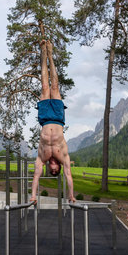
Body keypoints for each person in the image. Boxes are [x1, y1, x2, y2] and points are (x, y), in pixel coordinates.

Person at [29, 40, 76, 203]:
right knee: (54, 87)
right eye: (55, 169)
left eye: (51, 170)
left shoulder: (42, 158)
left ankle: (43, 53)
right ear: (59, 168)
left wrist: (33, 196)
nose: (53, 167)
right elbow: (69, 175)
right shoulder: (63, 156)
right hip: (57, 117)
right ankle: (50, 53)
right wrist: (71, 194)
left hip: (44, 119)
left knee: (44, 87)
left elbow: (36, 176)